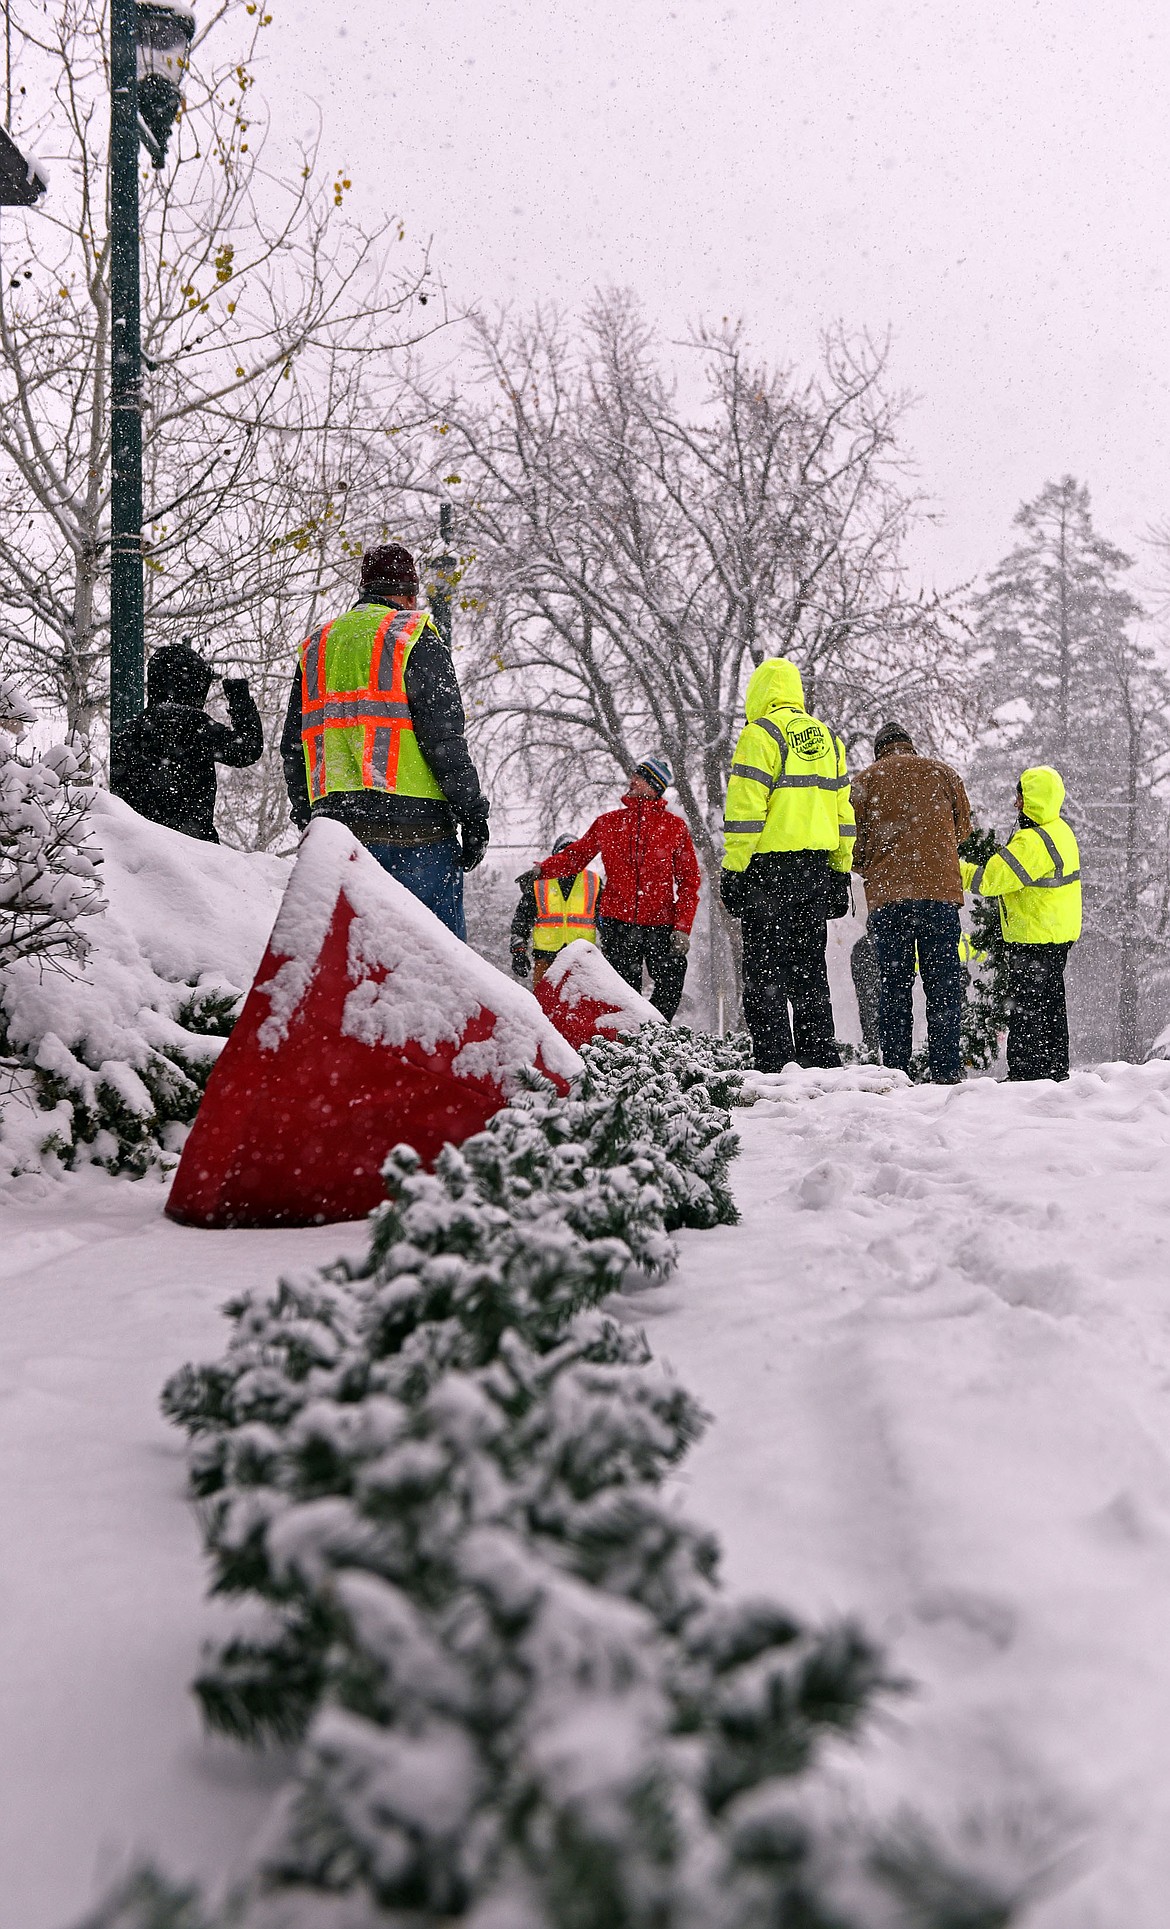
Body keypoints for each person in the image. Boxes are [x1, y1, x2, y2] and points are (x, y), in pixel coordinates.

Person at [280, 543, 489, 938]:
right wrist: (473, 813)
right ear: (410, 594)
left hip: (340, 834)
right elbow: (443, 739)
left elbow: (294, 747)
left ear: (365, 589)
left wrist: (308, 816)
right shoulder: (414, 635)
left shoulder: (317, 645)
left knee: (353, 967)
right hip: (418, 833)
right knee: (437, 968)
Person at [719, 658, 854, 1071]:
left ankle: (775, 1063)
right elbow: (842, 813)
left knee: (765, 974)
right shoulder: (828, 738)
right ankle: (819, 1059)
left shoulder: (759, 735)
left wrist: (734, 869)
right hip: (815, 870)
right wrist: (839, 870)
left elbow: (745, 812)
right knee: (810, 970)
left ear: (759, 691)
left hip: (767, 873)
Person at [850, 720, 973, 1084]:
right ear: (910, 745)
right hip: (939, 897)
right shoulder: (943, 773)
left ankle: (897, 1072)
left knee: (894, 986)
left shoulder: (865, 782)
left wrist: (875, 863)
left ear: (880, 750)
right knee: (943, 986)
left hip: (889, 901)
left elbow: (853, 843)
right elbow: (963, 830)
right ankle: (947, 1070)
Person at [531, 757, 700, 1021]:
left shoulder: (674, 828)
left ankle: (656, 1031)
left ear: (654, 786)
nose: (631, 781)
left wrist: (682, 928)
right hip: (618, 924)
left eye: (639, 777)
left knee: (670, 984)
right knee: (621, 992)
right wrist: (543, 870)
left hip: (661, 924)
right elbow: (576, 856)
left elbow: (690, 881)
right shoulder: (608, 823)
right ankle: (626, 1041)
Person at [961, 765, 1081, 1081]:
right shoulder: (1060, 830)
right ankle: (1055, 1070)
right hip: (1057, 933)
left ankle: (1027, 1075)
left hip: (1035, 935)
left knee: (1028, 1010)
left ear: (1030, 799)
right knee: (1051, 1006)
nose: (1015, 803)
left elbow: (991, 879)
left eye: (1019, 796)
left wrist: (954, 869)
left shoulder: (1033, 840)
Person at [110, 641, 263, 843]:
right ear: (194, 684)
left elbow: (119, 794)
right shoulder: (194, 725)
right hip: (192, 845)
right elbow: (248, 749)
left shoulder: (131, 731)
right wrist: (238, 696)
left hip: (139, 847)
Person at [510, 834, 601, 986]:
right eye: (563, 854)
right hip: (547, 958)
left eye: (572, 854)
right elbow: (522, 920)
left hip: (583, 959)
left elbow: (606, 921)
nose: (567, 859)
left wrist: (615, 951)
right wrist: (518, 950)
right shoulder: (539, 882)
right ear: (554, 857)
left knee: (581, 1007)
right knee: (546, 1006)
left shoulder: (593, 881)